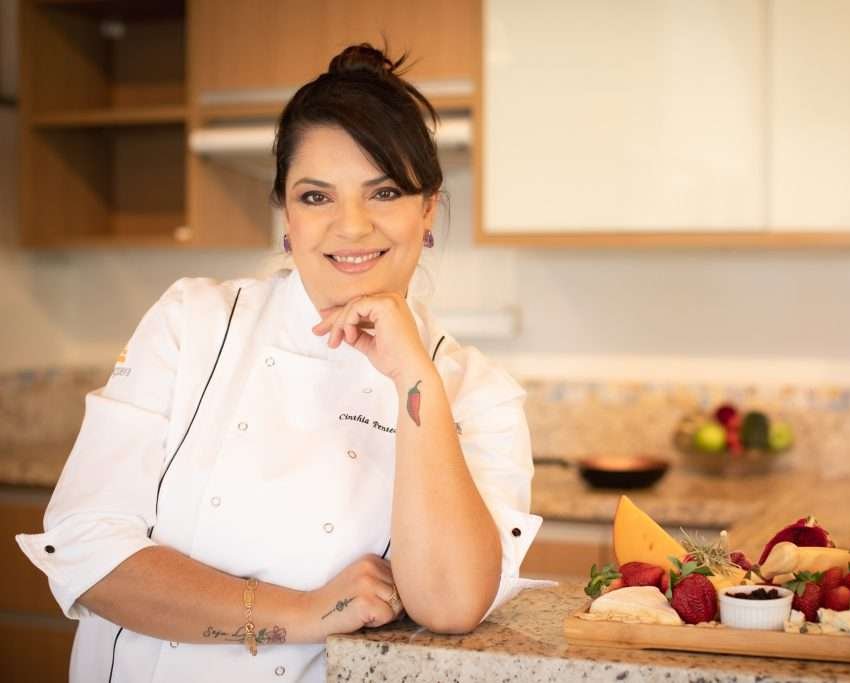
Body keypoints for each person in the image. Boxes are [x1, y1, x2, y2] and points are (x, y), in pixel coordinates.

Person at [16, 44, 546, 683]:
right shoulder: (193, 323)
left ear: (427, 207)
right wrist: (302, 612)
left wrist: (414, 378)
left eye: (383, 191)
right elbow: (87, 550)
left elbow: (451, 602)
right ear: (287, 218)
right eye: (316, 197)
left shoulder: (475, 393)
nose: (351, 226)